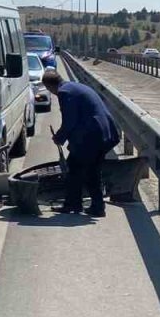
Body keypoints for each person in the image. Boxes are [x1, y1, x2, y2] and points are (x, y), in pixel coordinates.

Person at [44, 69, 120, 217]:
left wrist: (59, 137)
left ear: (50, 87)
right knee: (87, 170)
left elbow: (69, 121)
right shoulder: (74, 87)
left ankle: (82, 205)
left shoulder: (64, 93)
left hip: (93, 136)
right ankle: (81, 205)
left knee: (77, 168)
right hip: (104, 132)